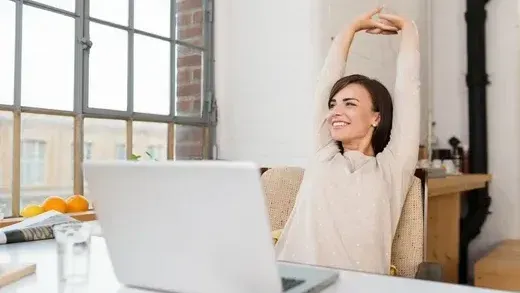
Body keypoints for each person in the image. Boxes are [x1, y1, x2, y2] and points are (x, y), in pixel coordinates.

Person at [274, 7, 420, 275]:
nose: (335, 112)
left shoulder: (392, 169)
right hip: (295, 282)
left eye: (349, 104)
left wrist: (409, 30)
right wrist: (349, 30)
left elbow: (408, 92)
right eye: (333, 105)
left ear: (376, 117)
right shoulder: (322, 154)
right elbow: (325, 80)